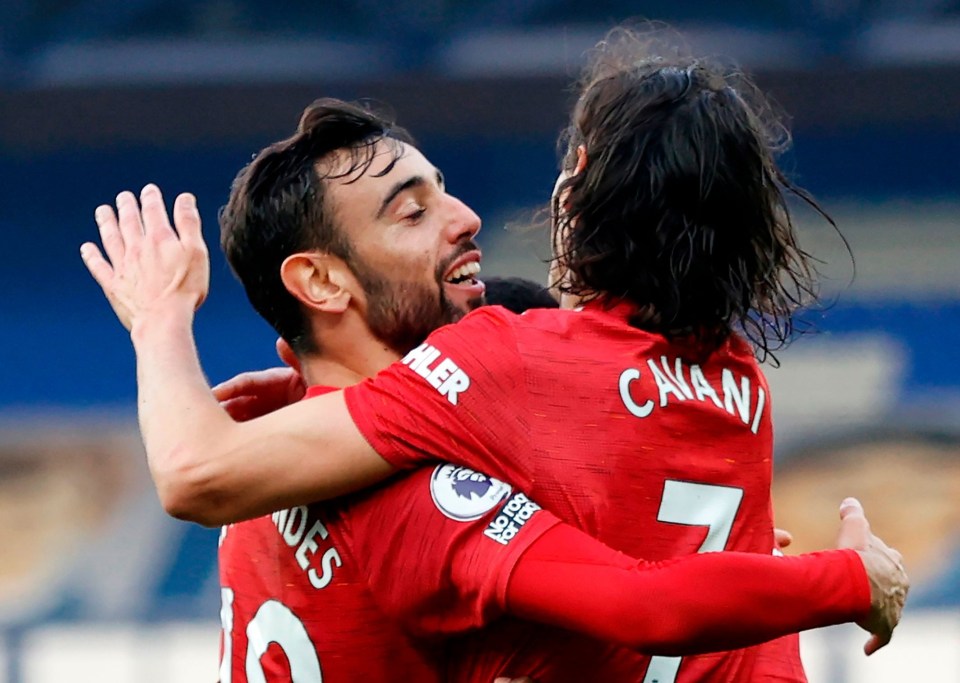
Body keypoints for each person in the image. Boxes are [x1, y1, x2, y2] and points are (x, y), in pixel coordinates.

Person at [80, 44, 907, 682]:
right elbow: (639, 598)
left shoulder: (275, 458)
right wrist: (835, 579)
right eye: (412, 211)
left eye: (443, 190)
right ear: (323, 279)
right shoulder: (424, 494)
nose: (468, 217)